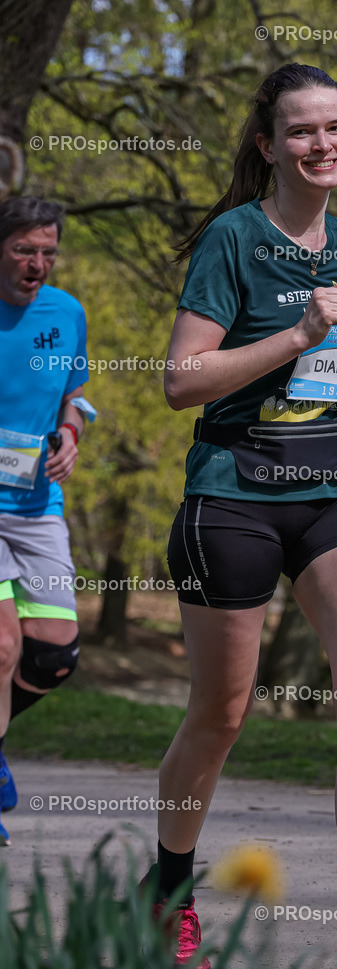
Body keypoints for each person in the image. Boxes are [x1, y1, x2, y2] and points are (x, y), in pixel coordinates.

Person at [152, 63, 337, 969]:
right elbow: (181, 381)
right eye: (303, 131)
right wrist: (294, 335)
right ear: (268, 145)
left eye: (336, 126)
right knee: (221, 714)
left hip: (331, 485)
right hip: (233, 494)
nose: (325, 144)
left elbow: (319, 370)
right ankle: (168, 896)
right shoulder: (232, 240)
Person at [0, 197, 91, 846]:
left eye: (47, 253)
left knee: (54, 653)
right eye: (23, 250)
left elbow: (75, 395)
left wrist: (71, 431)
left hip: (37, 504)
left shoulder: (66, 313)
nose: (37, 264)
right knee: (1, 646)